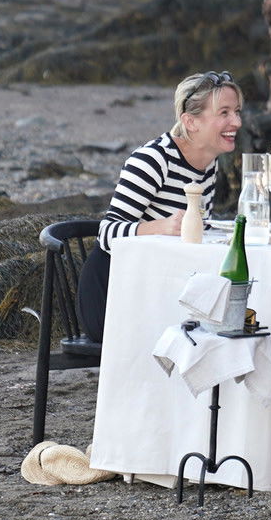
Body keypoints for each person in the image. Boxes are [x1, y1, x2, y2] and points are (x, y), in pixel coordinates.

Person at [76, 71, 244, 342]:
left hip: (160, 290)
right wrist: (160, 227)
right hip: (114, 297)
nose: (236, 122)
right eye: (224, 112)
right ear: (190, 122)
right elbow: (106, 234)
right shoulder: (154, 160)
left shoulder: (209, 165)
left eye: (236, 111)